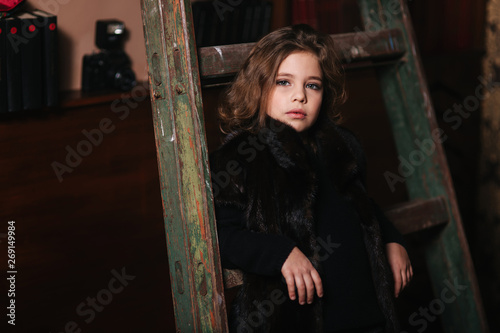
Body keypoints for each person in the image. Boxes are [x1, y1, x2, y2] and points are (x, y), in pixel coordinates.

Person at [209, 24, 413, 333]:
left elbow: (361, 205)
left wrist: (392, 238)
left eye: (313, 85)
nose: (300, 96)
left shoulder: (340, 146)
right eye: (284, 82)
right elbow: (220, 236)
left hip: (367, 315)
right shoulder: (241, 158)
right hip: (294, 320)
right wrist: (280, 253)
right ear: (258, 87)